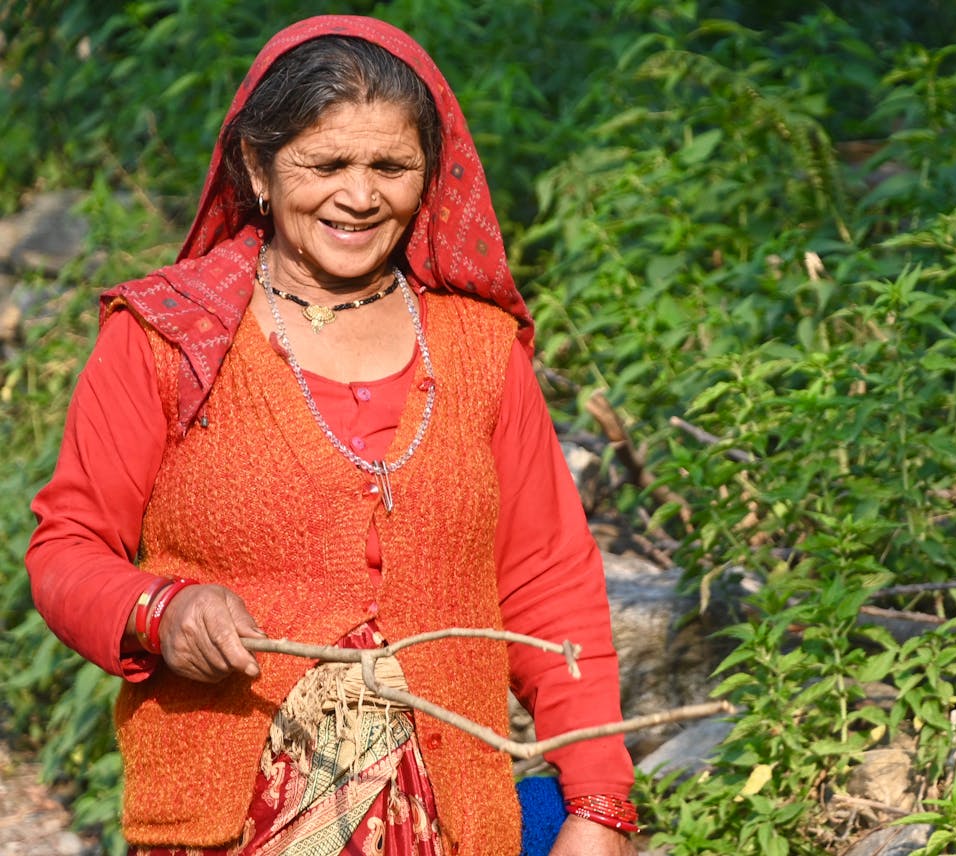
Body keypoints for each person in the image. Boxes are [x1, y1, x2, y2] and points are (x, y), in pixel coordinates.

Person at [25, 15, 637, 856]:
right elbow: (66, 548)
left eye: (391, 166)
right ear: (257, 167)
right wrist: (160, 611)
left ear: (429, 177)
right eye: (327, 164)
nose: (360, 195)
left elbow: (550, 584)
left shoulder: (479, 350)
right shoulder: (168, 338)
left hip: (457, 823)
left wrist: (597, 804)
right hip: (227, 825)